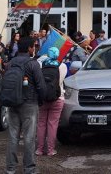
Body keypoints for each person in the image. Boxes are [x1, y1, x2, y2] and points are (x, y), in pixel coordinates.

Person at [5, 37, 46, 174]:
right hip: (29, 103)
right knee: (29, 137)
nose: (34, 49)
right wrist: (41, 100)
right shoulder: (33, 64)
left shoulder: (10, 63)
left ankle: (10, 169)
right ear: (29, 48)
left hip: (12, 103)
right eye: (33, 46)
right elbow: (41, 86)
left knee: (12, 136)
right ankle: (29, 169)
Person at [36, 47, 67, 156]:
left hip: (43, 97)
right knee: (52, 124)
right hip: (58, 98)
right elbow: (62, 81)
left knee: (41, 123)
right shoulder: (62, 66)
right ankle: (50, 150)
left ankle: (39, 149)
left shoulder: (41, 65)